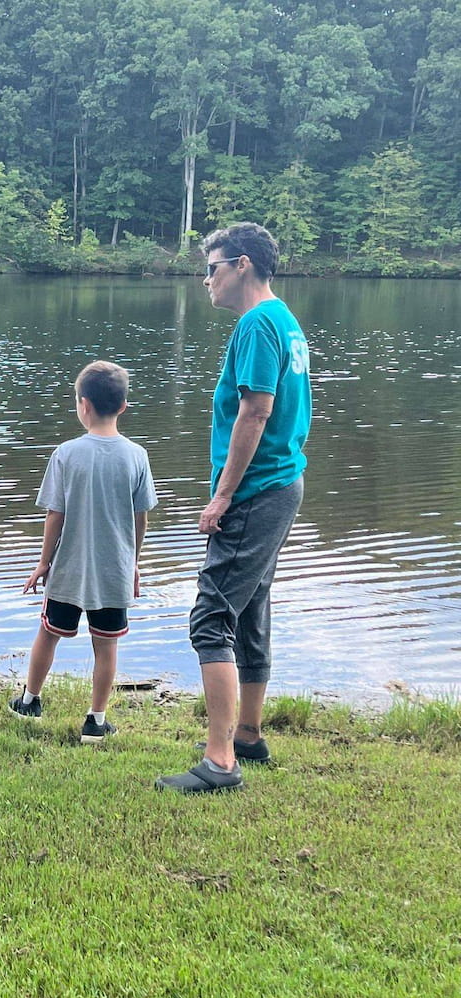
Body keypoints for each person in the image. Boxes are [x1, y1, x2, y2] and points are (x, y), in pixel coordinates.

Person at [156, 222, 311, 794]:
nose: (206, 280)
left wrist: (222, 494)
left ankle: (220, 761)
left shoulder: (255, 323)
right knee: (250, 609)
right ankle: (247, 731)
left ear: (241, 265)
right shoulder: (284, 319)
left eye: (213, 267)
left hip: (255, 490)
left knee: (211, 617)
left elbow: (255, 412)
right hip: (283, 483)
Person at [9, 361, 157, 742]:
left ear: (83, 405)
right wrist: (133, 562)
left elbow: (54, 516)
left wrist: (44, 562)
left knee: (48, 633)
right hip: (113, 571)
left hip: (69, 568)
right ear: (123, 406)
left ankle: (30, 700)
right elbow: (140, 519)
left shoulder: (65, 453)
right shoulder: (137, 456)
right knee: (106, 647)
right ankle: (96, 719)